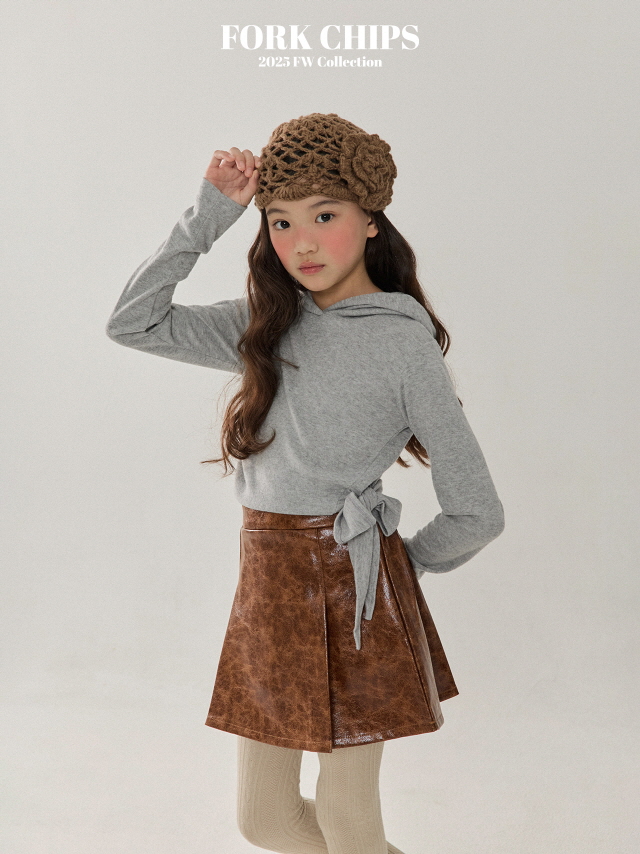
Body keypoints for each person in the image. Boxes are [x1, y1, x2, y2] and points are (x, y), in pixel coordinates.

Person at [106, 112, 505, 854]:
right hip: (267, 581)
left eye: (325, 215)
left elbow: (477, 510)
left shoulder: (402, 341)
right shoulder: (266, 323)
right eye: (282, 222)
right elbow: (133, 323)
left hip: (354, 593)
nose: (303, 243)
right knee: (263, 819)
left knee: (351, 826)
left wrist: (397, 569)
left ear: (371, 221)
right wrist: (210, 214)